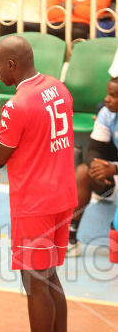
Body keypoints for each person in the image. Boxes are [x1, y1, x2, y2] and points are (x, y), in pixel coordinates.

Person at [0, 35, 77, 332]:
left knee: (34, 280)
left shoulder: (17, 105)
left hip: (35, 203)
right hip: (63, 194)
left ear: (11, 65)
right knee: (49, 275)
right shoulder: (58, 87)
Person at [68, 77, 118, 257]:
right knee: (83, 172)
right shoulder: (107, 113)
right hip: (112, 180)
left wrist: (114, 169)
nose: (106, 99)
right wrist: (98, 166)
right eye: (108, 93)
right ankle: (70, 240)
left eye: (113, 96)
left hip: (115, 171)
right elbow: (94, 149)